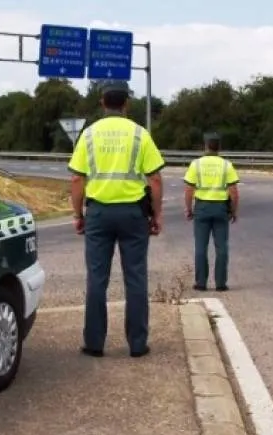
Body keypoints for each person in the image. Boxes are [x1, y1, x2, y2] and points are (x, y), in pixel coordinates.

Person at [67, 80, 166, 358]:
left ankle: (94, 343)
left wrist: (78, 214)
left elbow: (77, 179)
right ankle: (137, 344)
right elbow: (155, 179)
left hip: (98, 214)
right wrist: (156, 214)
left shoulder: (88, 135)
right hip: (133, 214)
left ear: (102, 102)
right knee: (135, 277)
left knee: (97, 279)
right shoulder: (139, 134)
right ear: (126, 104)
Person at [183, 132, 239, 291]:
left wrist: (188, 209)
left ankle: (201, 282)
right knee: (222, 247)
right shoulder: (226, 165)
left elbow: (189, 189)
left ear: (205, 146)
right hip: (221, 208)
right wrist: (233, 211)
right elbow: (234, 191)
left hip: (202, 208)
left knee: (201, 247)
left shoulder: (196, 164)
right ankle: (221, 283)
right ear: (219, 147)